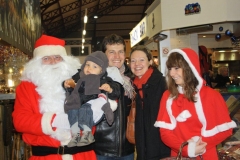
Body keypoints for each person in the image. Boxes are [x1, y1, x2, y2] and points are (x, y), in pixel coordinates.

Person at [12, 35, 97, 160]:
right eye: (46, 58)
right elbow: (20, 121)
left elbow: (95, 112)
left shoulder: (80, 83)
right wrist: (53, 122)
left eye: (57, 57)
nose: (53, 62)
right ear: (37, 62)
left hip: (82, 155)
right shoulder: (26, 87)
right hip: (47, 156)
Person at [155, 48, 236, 159]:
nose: (172, 73)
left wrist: (197, 146)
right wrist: (185, 149)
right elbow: (165, 132)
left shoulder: (212, 96)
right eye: (170, 68)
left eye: (177, 68)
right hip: (179, 155)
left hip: (206, 154)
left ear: (190, 68)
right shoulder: (167, 96)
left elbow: (226, 130)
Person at [63, 51, 119, 147]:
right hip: (77, 103)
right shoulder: (78, 76)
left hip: (90, 107)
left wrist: (109, 88)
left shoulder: (103, 79)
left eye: (94, 66)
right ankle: (75, 134)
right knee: (71, 110)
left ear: (101, 71)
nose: (89, 68)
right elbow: (70, 84)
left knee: (86, 108)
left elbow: (116, 90)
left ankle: (87, 134)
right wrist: (67, 84)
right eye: (87, 64)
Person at [94, 34, 135, 160]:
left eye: (120, 52)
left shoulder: (132, 79)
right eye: (112, 52)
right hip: (101, 149)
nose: (117, 56)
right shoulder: (94, 77)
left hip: (127, 149)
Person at [129, 45, 170, 160]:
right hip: (142, 150)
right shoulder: (131, 87)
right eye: (133, 61)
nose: (137, 64)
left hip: (162, 149)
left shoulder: (162, 84)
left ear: (150, 61)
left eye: (141, 60)